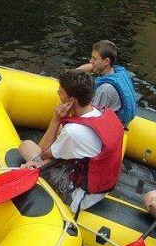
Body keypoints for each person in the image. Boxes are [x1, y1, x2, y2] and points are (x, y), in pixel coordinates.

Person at [19, 70, 124, 213]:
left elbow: (43, 152)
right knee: (56, 143)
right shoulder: (103, 113)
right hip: (100, 185)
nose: (57, 93)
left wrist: (56, 120)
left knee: (26, 146)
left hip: (79, 196)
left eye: (60, 91)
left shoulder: (73, 132)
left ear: (71, 100)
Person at [74, 40, 137, 126]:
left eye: (94, 58)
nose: (91, 61)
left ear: (106, 61)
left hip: (110, 128)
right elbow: (92, 67)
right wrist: (73, 73)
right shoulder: (116, 71)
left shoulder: (104, 89)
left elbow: (90, 118)